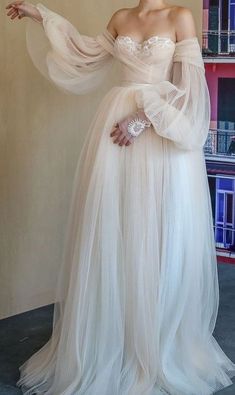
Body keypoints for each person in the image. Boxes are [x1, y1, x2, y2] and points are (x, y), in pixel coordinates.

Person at [5, 1, 235, 394]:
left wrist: (143, 118)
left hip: (158, 132)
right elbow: (83, 52)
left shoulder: (180, 16)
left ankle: (155, 340)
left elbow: (190, 87)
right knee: (115, 226)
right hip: (114, 131)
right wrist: (40, 14)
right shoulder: (121, 18)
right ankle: (115, 336)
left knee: (160, 230)